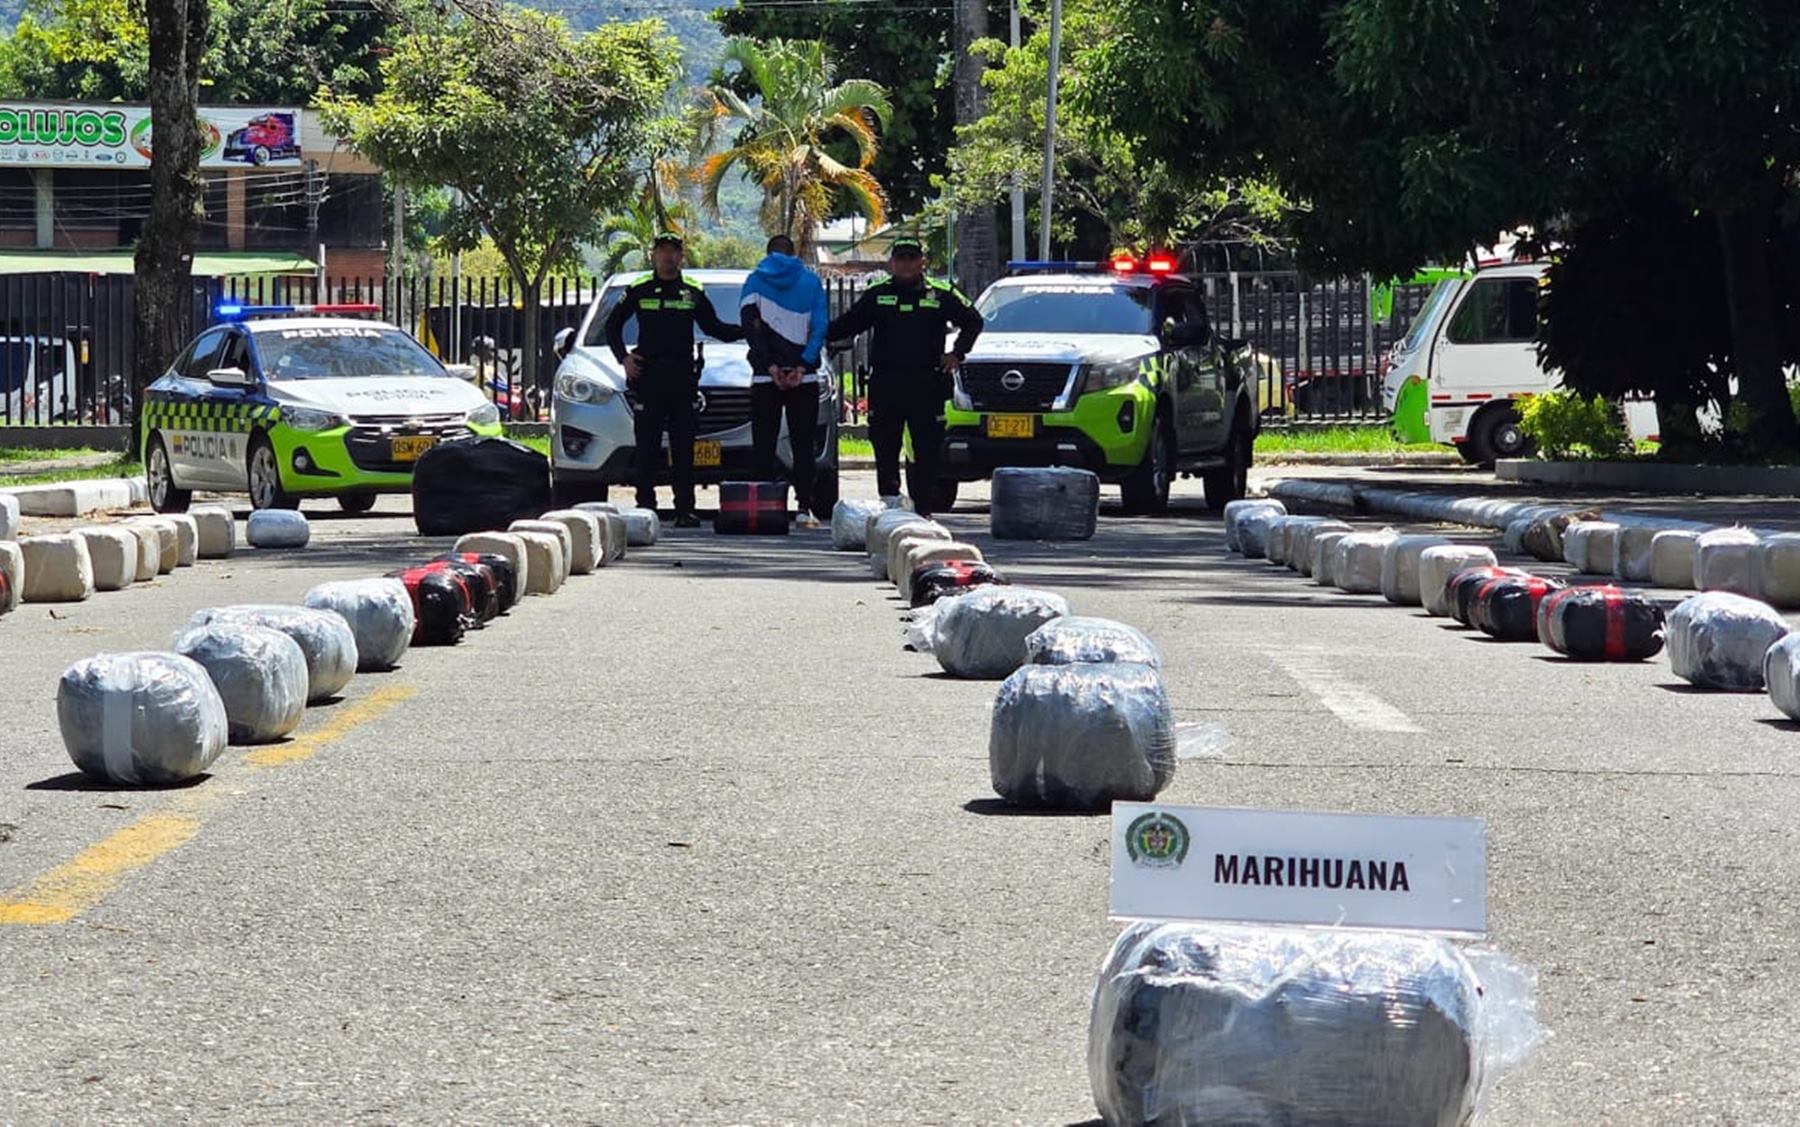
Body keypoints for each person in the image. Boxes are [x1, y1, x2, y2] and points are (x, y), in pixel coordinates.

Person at [826, 236, 984, 517]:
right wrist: (810, 334)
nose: (907, 264)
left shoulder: (941, 292)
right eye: (901, 259)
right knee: (885, 447)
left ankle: (923, 512)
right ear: (892, 263)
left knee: (927, 449)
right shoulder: (877, 294)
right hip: (886, 384)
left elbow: (974, 320)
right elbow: (845, 325)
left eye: (912, 258)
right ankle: (890, 508)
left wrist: (957, 354)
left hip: (927, 385)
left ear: (922, 261)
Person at [604, 232, 742, 528]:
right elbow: (612, 327)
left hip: (681, 377)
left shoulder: (692, 290)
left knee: (683, 447)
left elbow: (714, 326)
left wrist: (751, 330)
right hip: (649, 376)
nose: (668, 257)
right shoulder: (639, 289)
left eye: (673, 251)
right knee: (647, 447)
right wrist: (624, 359)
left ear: (682, 256)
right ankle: (645, 507)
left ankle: (685, 509)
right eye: (662, 251)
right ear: (653, 255)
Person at [740, 234, 830, 530]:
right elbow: (820, 327)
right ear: (793, 255)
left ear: (767, 254)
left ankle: (766, 509)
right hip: (804, 378)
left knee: (763, 444)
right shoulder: (811, 282)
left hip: (767, 377)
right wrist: (803, 365)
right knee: (803, 444)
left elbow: (751, 329)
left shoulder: (754, 281)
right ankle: (805, 508)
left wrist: (771, 365)